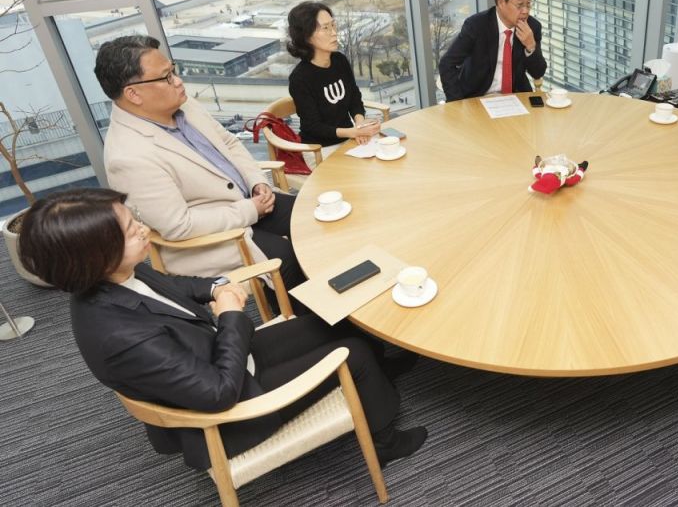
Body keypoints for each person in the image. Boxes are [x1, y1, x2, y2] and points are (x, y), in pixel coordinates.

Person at [17, 188, 427, 471]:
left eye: (133, 219)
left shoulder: (115, 276)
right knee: (352, 353)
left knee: (330, 318)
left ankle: (376, 381)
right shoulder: (118, 336)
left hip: (220, 357)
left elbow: (176, 286)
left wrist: (215, 287)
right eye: (129, 229)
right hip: (233, 411)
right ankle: (385, 443)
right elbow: (219, 394)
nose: (142, 229)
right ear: (96, 254)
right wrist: (230, 316)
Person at [94, 36, 303, 300]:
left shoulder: (182, 104)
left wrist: (256, 182)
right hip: (213, 237)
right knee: (285, 259)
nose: (178, 81)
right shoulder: (127, 157)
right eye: (167, 77)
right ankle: (311, 318)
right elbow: (179, 226)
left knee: (310, 215)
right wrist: (250, 209)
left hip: (249, 202)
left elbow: (229, 142)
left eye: (173, 71)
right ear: (133, 94)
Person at [439, 0, 547, 101]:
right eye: (520, 5)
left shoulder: (532, 27)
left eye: (528, 4)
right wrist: (458, 103)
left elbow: (538, 72)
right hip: (477, 98)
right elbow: (447, 64)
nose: (525, 11)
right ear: (501, 2)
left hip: (516, 98)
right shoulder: (476, 26)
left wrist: (531, 46)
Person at [286, 1, 379, 153]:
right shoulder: (300, 78)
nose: (334, 33)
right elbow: (313, 126)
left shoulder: (339, 60)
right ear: (306, 36)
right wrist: (353, 132)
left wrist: (360, 124)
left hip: (349, 141)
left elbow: (354, 98)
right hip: (319, 149)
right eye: (325, 28)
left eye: (333, 25)